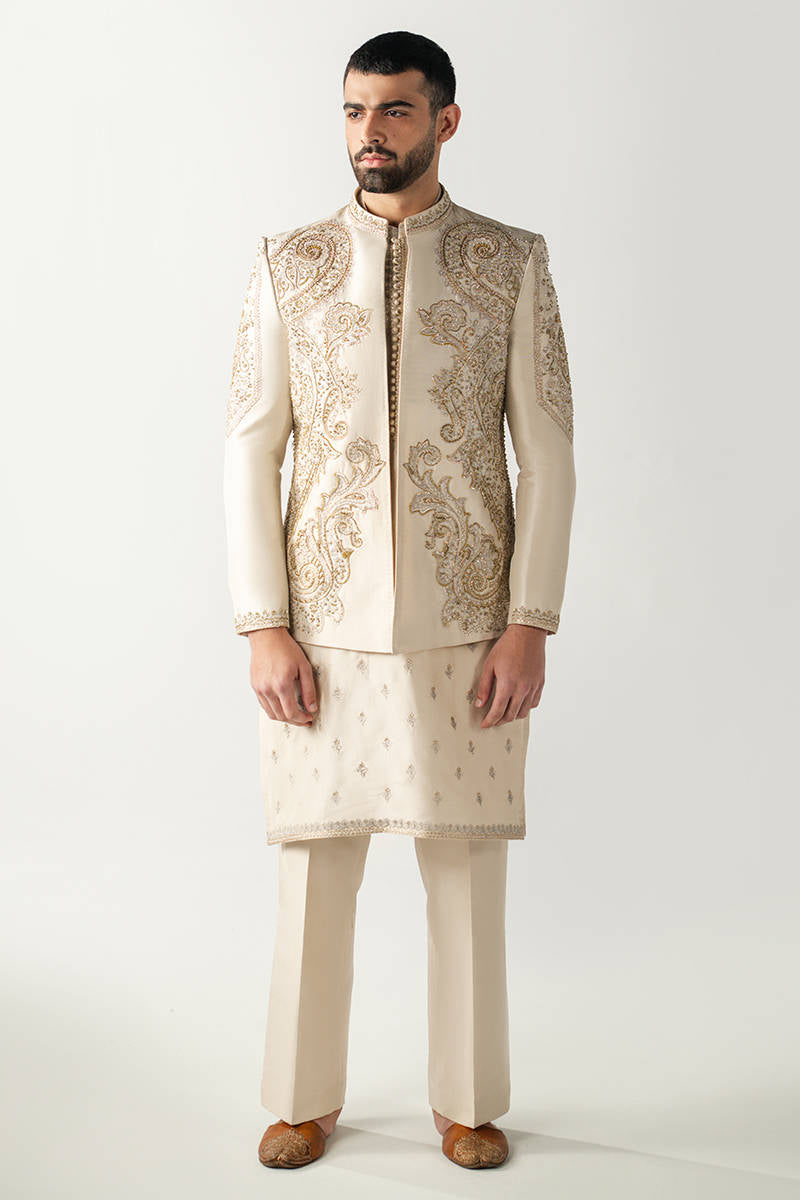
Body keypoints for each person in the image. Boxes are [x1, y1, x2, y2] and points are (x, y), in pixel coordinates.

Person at [223, 29, 576, 1170]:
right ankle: (300, 1098)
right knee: (313, 868)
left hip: (467, 627)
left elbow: (547, 453)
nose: (367, 133)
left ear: (444, 121)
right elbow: (249, 449)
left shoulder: (508, 262)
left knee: (464, 867)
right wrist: (263, 623)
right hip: (320, 629)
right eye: (353, 110)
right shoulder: (288, 263)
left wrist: (528, 621)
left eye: (393, 111)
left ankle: (467, 1101)